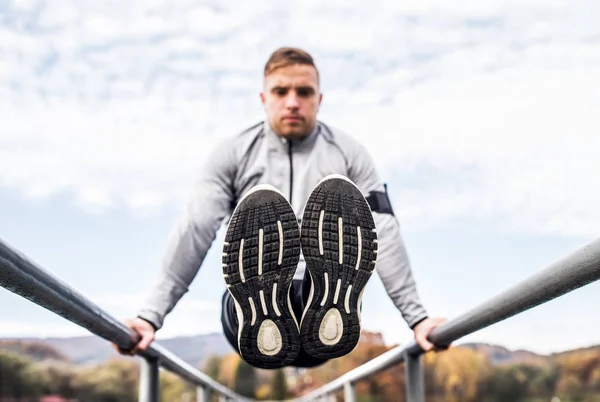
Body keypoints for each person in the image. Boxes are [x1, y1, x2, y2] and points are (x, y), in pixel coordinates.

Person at [116, 47, 447, 369]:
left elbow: (382, 231)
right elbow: (196, 228)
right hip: (248, 323)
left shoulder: (349, 154)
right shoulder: (232, 154)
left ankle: (323, 305)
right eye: (281, 91)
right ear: (263, 99)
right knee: (245, 298)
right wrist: (150, 315)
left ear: (319, 100)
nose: (292, 102)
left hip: (322, 326)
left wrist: (417, 317)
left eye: (304, 92)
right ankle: (262, 310)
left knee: (311, 294)